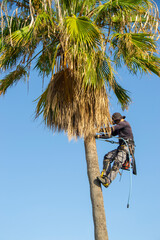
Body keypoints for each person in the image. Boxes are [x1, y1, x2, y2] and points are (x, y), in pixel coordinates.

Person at [97, 112, 135, 188]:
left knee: (117, 163)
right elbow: (110, 134)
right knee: (107, 157)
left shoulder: (124, 123)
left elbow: (111, 129)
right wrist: (98, 136)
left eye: (114, 121)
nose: (114, 123)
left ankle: (107, 181)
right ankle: (104, 175)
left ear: (117, 120)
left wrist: (99, 129)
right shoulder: (119, 127)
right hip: (121, 147)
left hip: (127, 147)